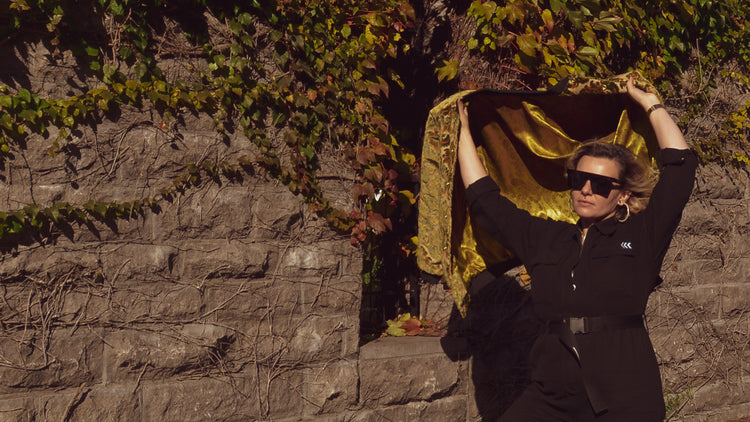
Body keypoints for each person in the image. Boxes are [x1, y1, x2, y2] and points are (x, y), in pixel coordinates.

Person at [456, 75, 697, 421]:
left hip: (625, 394)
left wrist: (651, 104)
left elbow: (681, 169)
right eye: (577, 180)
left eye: (599, 184)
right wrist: (464, 130)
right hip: (552, 392)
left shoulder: (643, 235)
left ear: (623, 194)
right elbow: (485, 202)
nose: (585, 189)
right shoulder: (546, 239)